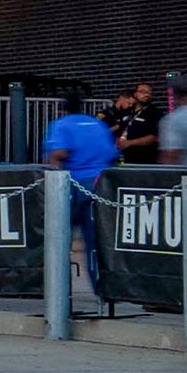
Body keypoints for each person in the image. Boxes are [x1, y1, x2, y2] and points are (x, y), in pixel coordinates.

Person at [43, 90, 119, 292]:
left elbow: (58, 154)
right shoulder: (98, 124)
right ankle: (102, 288)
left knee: (58, 237)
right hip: (102, 186)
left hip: (75, 186)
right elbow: (112, 154)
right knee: (96, 241)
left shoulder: (61, 125)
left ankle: (57, 288)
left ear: (62, 109)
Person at [116, 81, 162, 165]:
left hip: (143, 159)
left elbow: (153, 136)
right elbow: (120, 129)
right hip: (124, 157)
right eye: (143, 92)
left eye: (149, 93)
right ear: (135, 94)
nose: (146, 95)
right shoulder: (127, 112)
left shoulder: (154, 113)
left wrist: (129, 143)